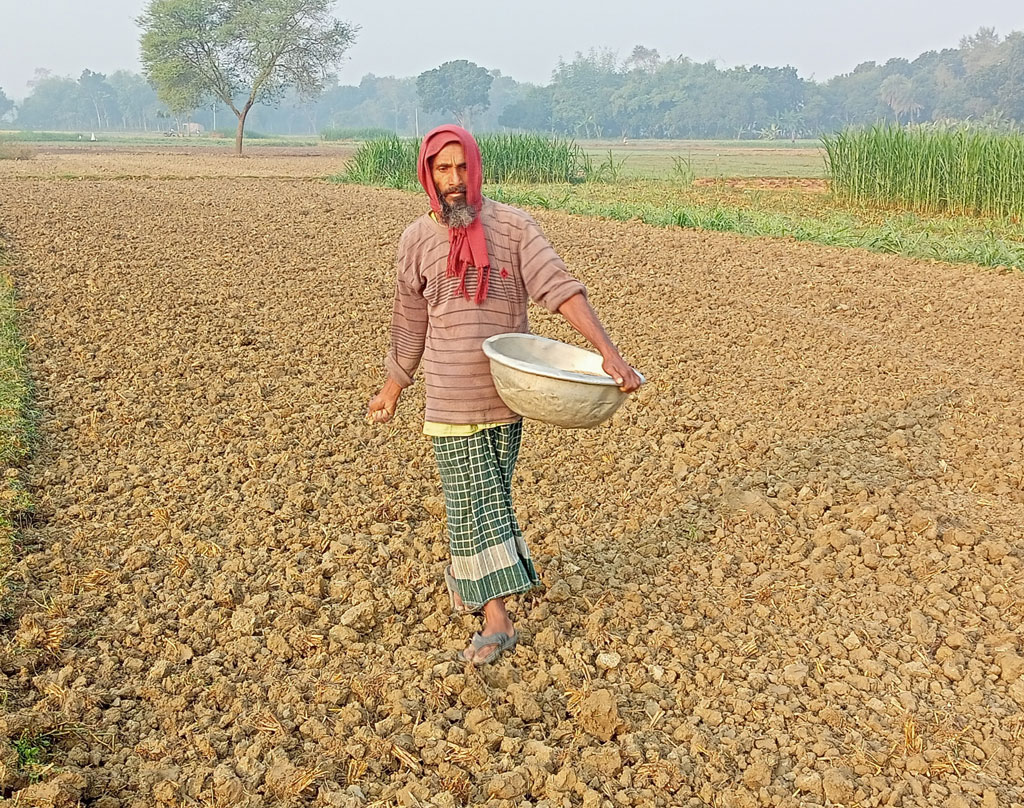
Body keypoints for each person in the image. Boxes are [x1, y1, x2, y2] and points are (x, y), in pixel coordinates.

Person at [367, 124, 642, 665]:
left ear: (476, 166)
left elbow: (561, 289)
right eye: (442, 170)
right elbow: (409, 321)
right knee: (478, 498)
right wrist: (394, 384)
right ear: (428, 174)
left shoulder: (515, 229)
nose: (454, 181)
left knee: (483, 499)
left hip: (507, 397)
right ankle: (497, 618)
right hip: (448, 397)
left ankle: (461, 573)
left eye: (462, 168)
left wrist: (608, 352)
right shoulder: (416, 241)